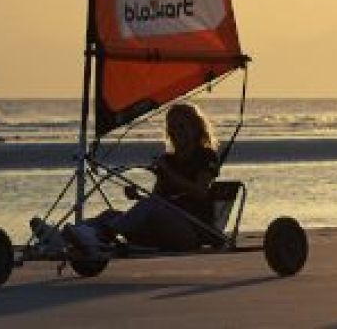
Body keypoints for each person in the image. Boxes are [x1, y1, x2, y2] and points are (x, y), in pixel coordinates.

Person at [67, 103, 222, 256]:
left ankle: (102, 236)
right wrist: (137, 196)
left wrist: (168, 172)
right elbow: (158, 198)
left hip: (191, 230)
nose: (176, 131)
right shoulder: (168, 159)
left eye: (182, 126)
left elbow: (201, 192)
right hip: (163, 227)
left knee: (147, 206)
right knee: (110, 215)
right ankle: (70, 236)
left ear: (195, 128)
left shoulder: (205, 156)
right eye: (172, 127)